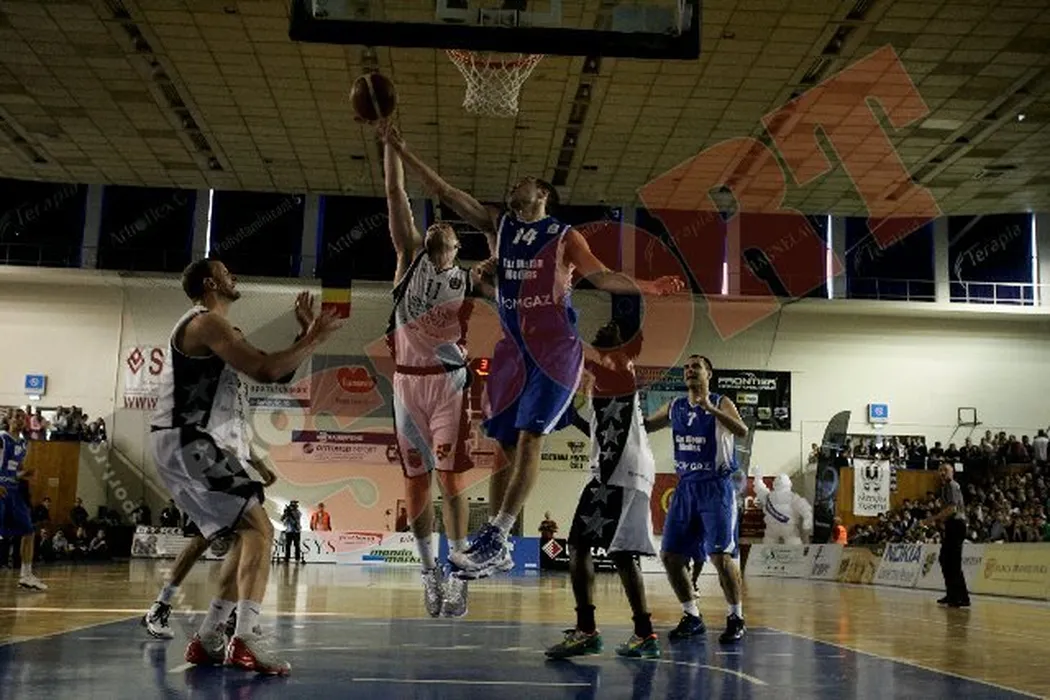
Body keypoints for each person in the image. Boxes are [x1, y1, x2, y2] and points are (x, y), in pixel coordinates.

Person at [380, 123, 684, 579]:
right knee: (502, 444)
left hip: (554, 349)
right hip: (513, 350)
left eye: (524, 181)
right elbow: (444, 192)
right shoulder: (499, 225)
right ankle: (498, 547)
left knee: (529, 437)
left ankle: (497, 533)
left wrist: (650, 286)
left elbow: (601, 277)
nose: (514, 184)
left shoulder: (564, 236)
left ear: (542, 193)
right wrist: (403, 151)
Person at [148, 258, 340, 675]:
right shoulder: (205, 322)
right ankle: (245, 637)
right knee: (260, 530)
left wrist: (305, 336)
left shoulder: (217, 328)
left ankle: (209, 637)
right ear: (210, 283)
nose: (233, 275)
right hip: (187, 439)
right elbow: (266, 369)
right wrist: (316, 337)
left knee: (247, 533)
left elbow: (276, 373)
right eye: (225, 272)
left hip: (191, 442)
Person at [381, 140, 490, 617]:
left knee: (450, 478)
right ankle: (429, 573)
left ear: (457, 244)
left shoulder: (470, 279)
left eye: (446, 226)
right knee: (416, 483)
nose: (438, 225)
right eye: (432, 224)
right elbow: (394, 193)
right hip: (407, 384)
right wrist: (391, 145)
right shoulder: (408, 258)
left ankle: (459, 570)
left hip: (449, 384)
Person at [545, 322, 660, 660]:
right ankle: (645, 634)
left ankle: (586, 630)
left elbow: (588, 360)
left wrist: (560, 342)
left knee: (578, 544)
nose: (606, 326)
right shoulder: (607, 385)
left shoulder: (620, 365)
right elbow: (602, 432)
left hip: (616, 471)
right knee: (622, 554)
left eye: (614, 329)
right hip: (627, 470)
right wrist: (573, 418)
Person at [645, 354, 749, 644]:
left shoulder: (721, 401)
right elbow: (647, 426)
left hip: (716, 487)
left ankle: (736, 617)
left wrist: (712, 410)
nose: (690, 371)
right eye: (686, 368)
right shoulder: (675, 406)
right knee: (670, 556)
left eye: (696, 367)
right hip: (686, 487)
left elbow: (742, 431)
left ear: (709, 374)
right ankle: (692, 615)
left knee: (721, 557)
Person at [0, 409, 47, 590]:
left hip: (13, 491)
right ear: (8, 420)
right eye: (16, 417)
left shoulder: (23, 443)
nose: (20, 420)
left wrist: (25, 474)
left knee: (29, 531)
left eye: (23, 418)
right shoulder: (2, 438)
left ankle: (26, 575)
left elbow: (14, 471)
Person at [923, 463, 970, 608]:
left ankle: (958, 596)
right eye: (941, 470)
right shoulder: (945, 488)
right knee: (946, 559)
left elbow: (952, 509)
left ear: (952, 472)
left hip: (957, 524)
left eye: (946, 470)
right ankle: (954, 594)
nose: (943, 473)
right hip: (951, 525)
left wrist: (933, 518)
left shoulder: (952, 486)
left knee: (951, 561)